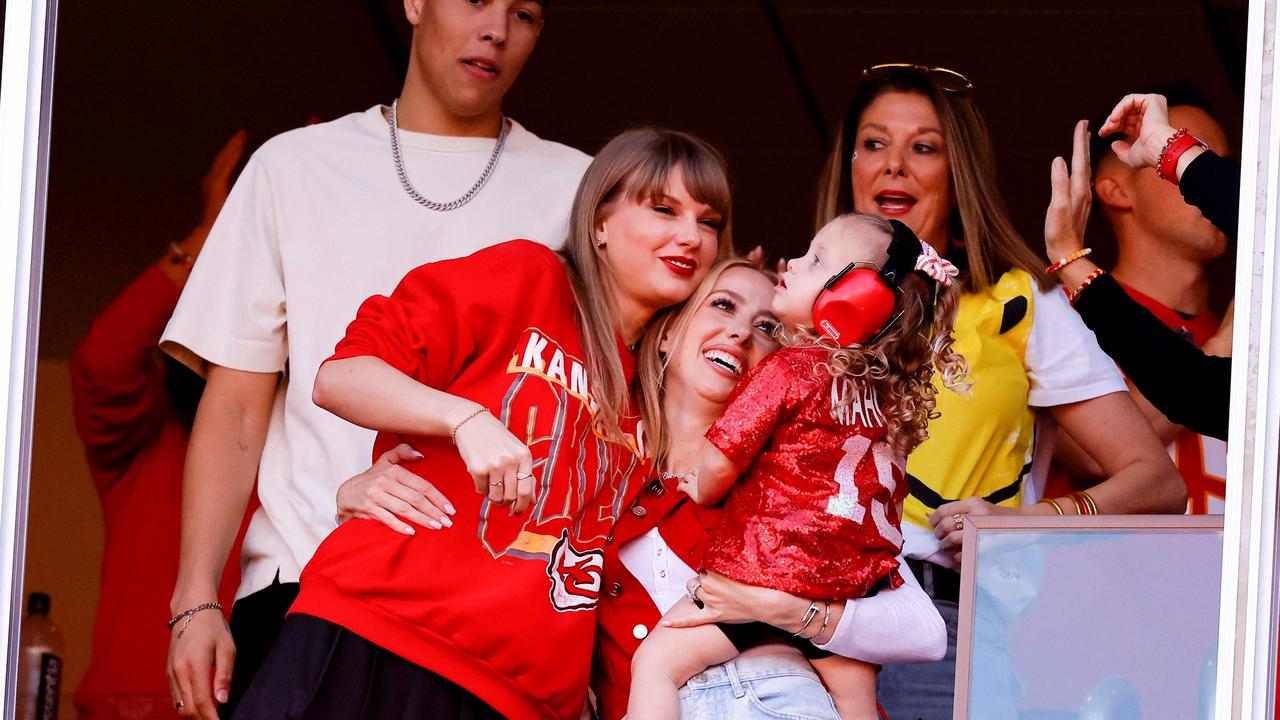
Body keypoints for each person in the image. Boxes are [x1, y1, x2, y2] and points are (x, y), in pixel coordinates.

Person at [161, 2, 590, 718]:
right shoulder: (292, 168)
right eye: (477, 0)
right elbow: (237, 404)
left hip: (485, 622)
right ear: (415, 3)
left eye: (525, 13)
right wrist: (194, 599)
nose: (498, 30)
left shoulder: (581, 191)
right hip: (302, 584)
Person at [230, 127, 730, 720]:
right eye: (664, 209)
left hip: (523, 696)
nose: (689, 236)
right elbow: (341, 378)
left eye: (709, 222)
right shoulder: (530, 277)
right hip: (384, 629)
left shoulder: (663, 393)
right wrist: (464, 420)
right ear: (598, 221)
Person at [813, 64, 1187, 718]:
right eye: (874, 144)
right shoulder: (789, 291)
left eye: (923, 147)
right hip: (788, 623)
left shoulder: (1017, 300)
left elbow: (1156, 480)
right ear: (850, 165)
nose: (894, 165)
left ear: (959, 173)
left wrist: (1020, 526)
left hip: (934, 624)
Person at [627, 215, 964, 720]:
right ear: (667, 331)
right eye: (722, 306)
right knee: (857, 701)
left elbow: (926, 633)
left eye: (766, 327)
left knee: (655, 661)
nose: (741, 333)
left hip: (770, 601)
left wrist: (775, 608)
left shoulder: (788, 370)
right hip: (852, 580)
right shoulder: (880, 403)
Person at [71, 132, 249, 720]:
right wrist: (209, 237)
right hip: (136, 706)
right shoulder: (141, 443)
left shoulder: (304, 447)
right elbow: (103, 359)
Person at [1049, 84, 1232, 513]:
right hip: (1108, 579)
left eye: (1220, 167)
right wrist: (1224, 345)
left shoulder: (1235, 330)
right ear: (1114, 189)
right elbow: (1092, 455)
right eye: (1194, 155)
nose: (1210, 176)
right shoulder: (1062, 312)